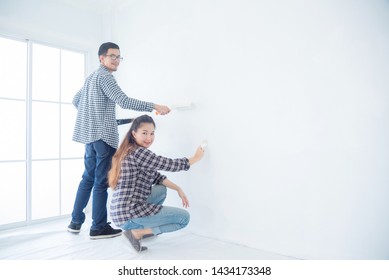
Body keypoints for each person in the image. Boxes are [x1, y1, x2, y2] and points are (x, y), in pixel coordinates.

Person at [67, 42, 171, 240]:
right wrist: (154, 105)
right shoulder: (106, 77)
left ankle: (75, 222)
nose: (116, 60)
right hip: (103, 139)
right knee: (100, 183)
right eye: (112, 56)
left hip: (90, 137)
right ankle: (98, 228)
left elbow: (76, 100)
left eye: (118, 57)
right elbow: (123, 101)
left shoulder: (91, 78)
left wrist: (94, 117)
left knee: (87, 179)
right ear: (101, 58)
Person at [108, 115, 204, 251]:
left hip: (120, 211)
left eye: (152, 133)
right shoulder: (139, 153)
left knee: (160, 189)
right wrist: (194, 159)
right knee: (184, 218)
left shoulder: (129, 150)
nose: (149, 138)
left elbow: (157, 176)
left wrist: (178, 189)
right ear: (134, 134)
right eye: (144, 133)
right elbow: (168, 164)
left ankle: (143, 227)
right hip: (128, 215)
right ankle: (138, 232)